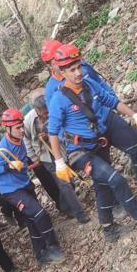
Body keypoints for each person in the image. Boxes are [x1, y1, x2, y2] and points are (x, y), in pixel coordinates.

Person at [48, 43, 137, 243]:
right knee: (117, 180)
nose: (77, 73)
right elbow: (52, 132)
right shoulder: (59, 99)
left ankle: (109, 229)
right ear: (62, 72)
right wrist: (59, 162)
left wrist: (135, 116)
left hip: (98, 144)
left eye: (79, 67)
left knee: (102, 186)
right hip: (80, 153)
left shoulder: (89, 85)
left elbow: (112, 101)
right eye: (72, 70)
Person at [0, 109, 65, 265]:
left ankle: (40, 254)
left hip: (23, 184)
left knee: (31, 219)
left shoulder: (18, 139)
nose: (22, 130)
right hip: (11, 190)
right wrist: (9, 167)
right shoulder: (3, 148)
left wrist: (31, 163)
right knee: (40, 214)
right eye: (18, 128)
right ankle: (53, 247)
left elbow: (22, 159)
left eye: (22, 126)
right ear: (8, 129)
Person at [24, 94, 91, 224]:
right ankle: (80, 214)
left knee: (69, 180)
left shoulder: (56, 110)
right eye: (44, 113)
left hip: (61, 152)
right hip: (45, 156)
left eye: (48, 112)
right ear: (37, 111)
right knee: (64, 183)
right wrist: (33, 155)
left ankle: (64, 206)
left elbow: (64, 130)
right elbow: (26, 138)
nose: (47, 115)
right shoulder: (28, 120)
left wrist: (52, 136)